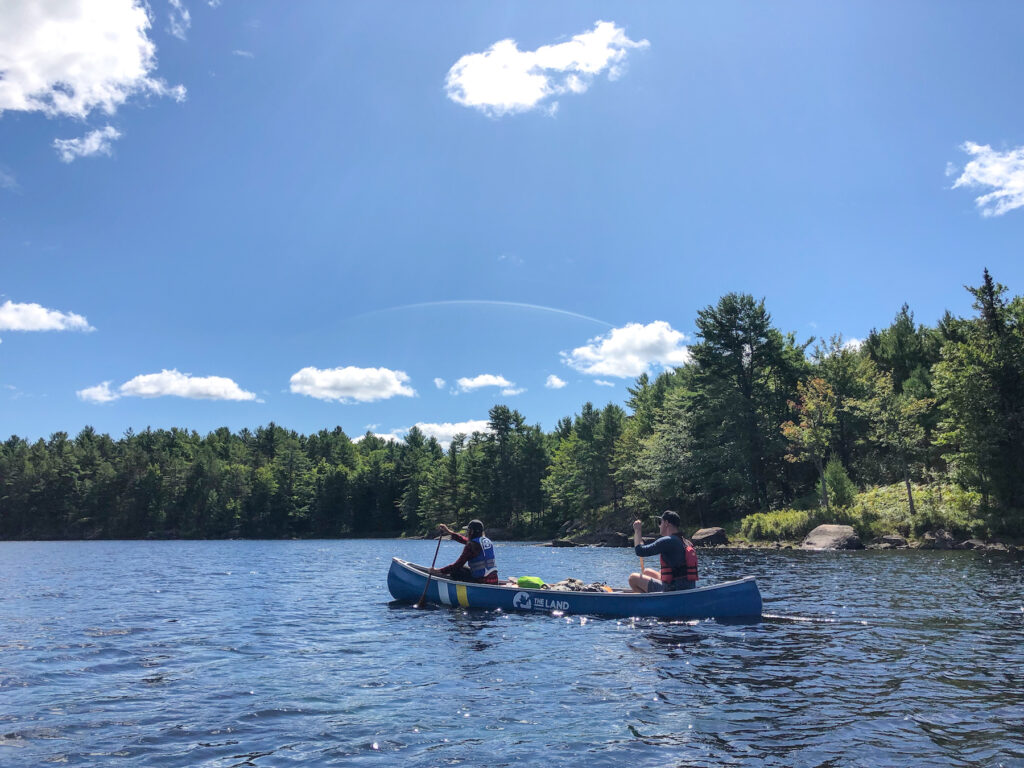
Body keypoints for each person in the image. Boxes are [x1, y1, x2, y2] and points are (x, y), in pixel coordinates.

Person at [629, 510, 698, 592]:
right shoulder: (684, 541)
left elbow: (639, 551)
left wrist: (637, 530)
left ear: (666, 523)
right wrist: (639, 536)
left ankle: (649, 603)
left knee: (633, 578)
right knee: (647, 572)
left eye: (660, 522)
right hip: (687, 586)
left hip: (673, 588)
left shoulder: (667, 541)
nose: (659, 526)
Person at [430, 519, 499, 584]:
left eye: (468, 530)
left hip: (482, 581)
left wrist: (438, 571)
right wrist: (449, 532)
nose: (467, 532)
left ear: (471, 532)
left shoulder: (471, 546)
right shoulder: (486, 541)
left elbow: (457, 565)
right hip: (495, 580)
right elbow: (464, 540)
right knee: (463, 568)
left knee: (456, 571)